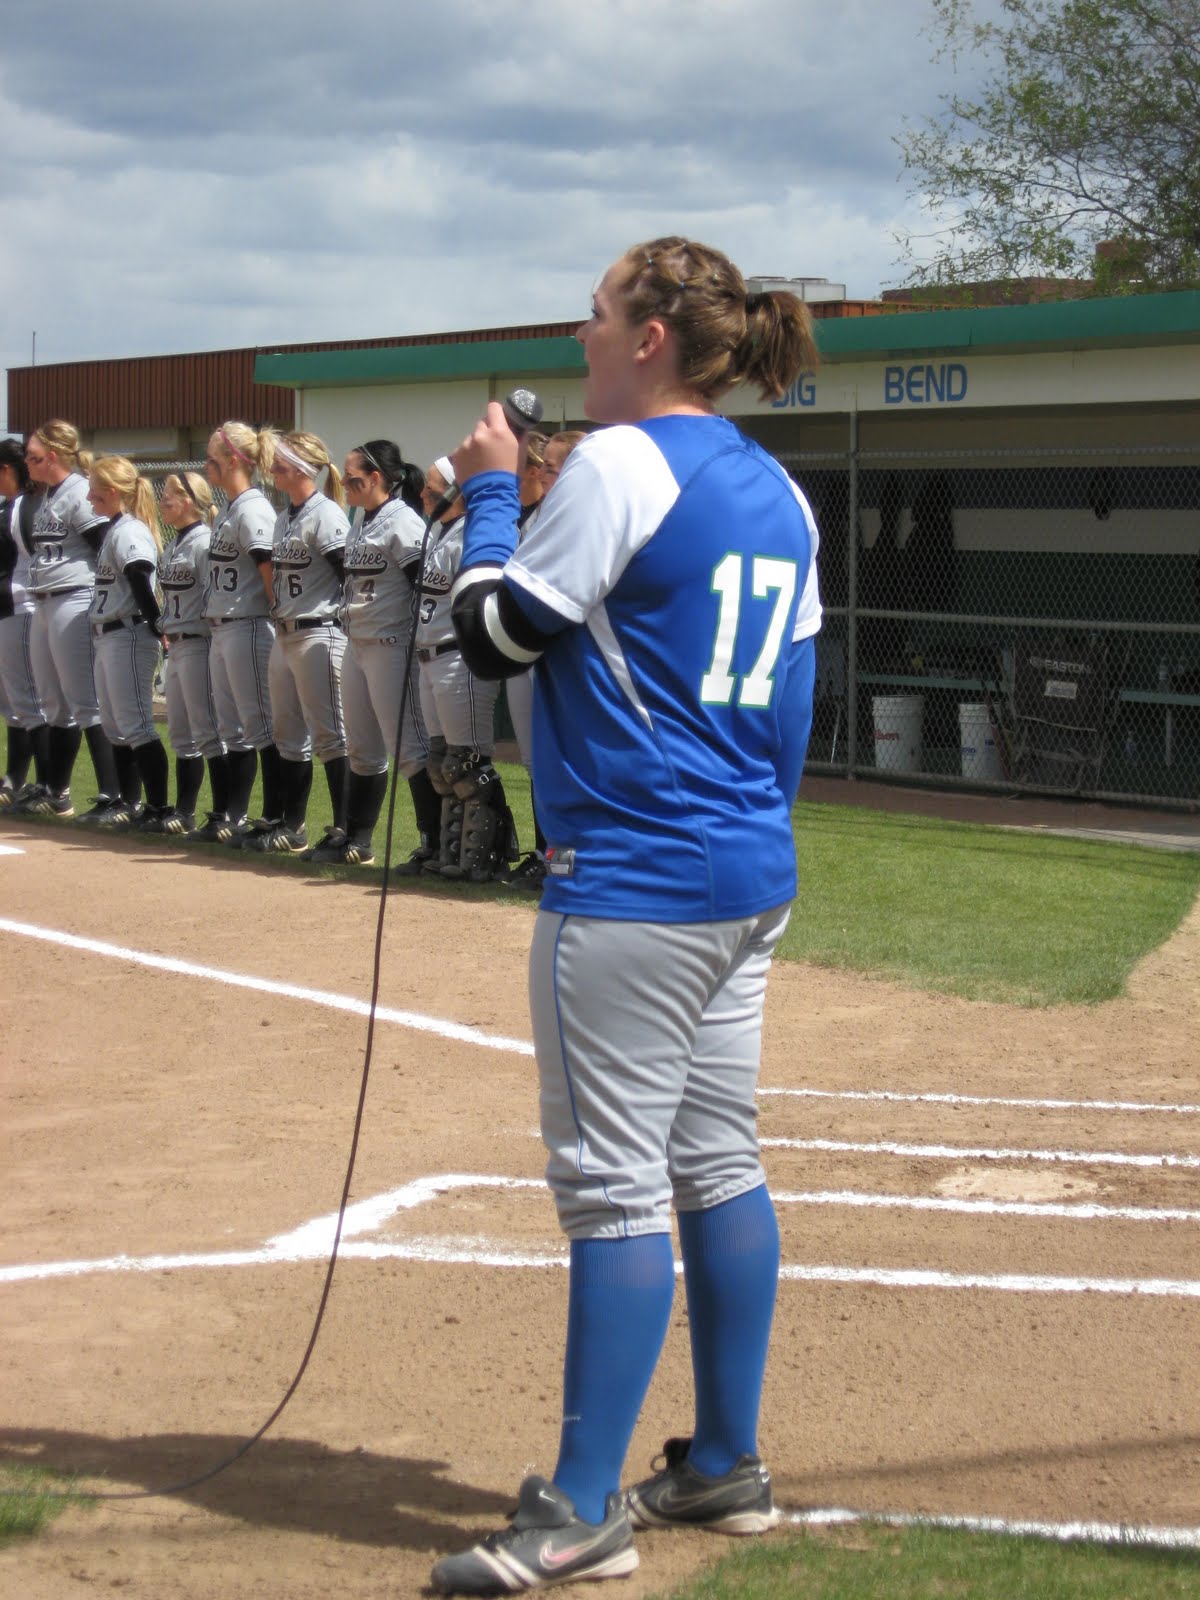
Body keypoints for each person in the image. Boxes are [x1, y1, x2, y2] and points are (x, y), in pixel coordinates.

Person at [430, 236, 821, 1595]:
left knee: (612, 1180)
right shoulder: (776, 485)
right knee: (718, 1158)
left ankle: (580, 1509)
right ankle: (725, 1462)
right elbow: (788, 717)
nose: (581, 338)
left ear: (653, 333)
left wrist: (488, 498)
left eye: (596, 316)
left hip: (639, 882)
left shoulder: (619, 462)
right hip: (744, 872)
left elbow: (494, 637)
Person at [307, 438, 439, 867]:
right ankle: (357, 840)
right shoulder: (363, 520)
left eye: (353, 478)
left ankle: (432, 844)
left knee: (408, 748)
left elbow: (424, 587)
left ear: (377, 478)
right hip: (357, 643)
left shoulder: (404, 522)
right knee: (361, 747)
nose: (345, 484)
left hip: (392, 645)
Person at [244, 431, 349, 854]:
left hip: (318, 631)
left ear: (305, 466)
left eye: (282, 461)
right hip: (286, 634)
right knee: (287, 735)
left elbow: (348, 575)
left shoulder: (326, 514)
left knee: (330, 736)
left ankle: (346, 830)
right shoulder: (286, 515)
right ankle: (293, 826)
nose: (274, 468)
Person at [414, 455, 516, 881]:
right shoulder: (443, 533)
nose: (425, 494)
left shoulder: (472, 536)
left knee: (467, 763)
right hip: (429, 657)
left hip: (459, 657)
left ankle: (485, 856)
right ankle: (453, 852)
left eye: (435, 487)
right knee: (442, 764)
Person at [21, 420, 123, 821]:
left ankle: (112, 796)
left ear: (53, 457)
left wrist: (104, 599)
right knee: (52, 701)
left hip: (74, 598)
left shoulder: (79, 491)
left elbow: (105, 545)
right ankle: (56, 791)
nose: (27, 462)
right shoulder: (50, 495)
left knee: (85, 702)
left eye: (33, 456)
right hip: (45, 602)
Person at [503, 429, 587, 889]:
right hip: (526, 653)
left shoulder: (575, 519)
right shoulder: (528, 518)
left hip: (562, 657)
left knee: (565, 760)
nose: (541, 475)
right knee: (537, 762)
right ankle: (545, 854)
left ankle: (565, 860)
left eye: (552, 467)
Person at [195, 421, 282, 845]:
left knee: (259, 724)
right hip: (223, 627)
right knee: (232, 728)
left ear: (233, 462)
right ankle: (232, 814)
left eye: (212, 459)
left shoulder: (252, 508)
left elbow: (269, 571)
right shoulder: (229, 507)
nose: (207, 466)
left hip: (249, 626)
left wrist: (278, 621)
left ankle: (271, 817)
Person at [84, 455, 172, 826]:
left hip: (129, 633)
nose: (89, 497)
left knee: (135, 724)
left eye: (94, 490)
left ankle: (155, 807)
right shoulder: (116, 528)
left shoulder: (130, 530)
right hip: (111, 634)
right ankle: (127, 802)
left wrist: (156, 626)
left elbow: (139, 576)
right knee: (116, 726)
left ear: (113, 491)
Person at [152, 469, 229, 834]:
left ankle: (224, 813)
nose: (162, 501)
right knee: (181, 733)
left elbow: (214, 598)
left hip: (199, 644)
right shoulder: (174, 543)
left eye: (167, 495)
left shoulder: (203, 543)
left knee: (207, 730)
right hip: (177, 647)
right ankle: (184, 812)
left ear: (186, 501)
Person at [0, 439, 50, 808]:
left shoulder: (24, 509)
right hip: (8, 610)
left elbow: (37, 560)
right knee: (13, 702)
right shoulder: (10, 508)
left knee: (28, 701)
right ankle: (16, 779)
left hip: (21, 607)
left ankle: (47, 784)